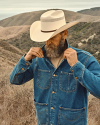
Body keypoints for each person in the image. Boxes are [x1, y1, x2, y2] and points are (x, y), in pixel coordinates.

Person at [10, 10, 100, 125]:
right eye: (45, 37)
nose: (48, 42)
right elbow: (14, 80)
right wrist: (25, 60)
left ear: (65, 33)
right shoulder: (37, 59)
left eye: (53, 37)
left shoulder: (84, 59)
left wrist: (77, 66)